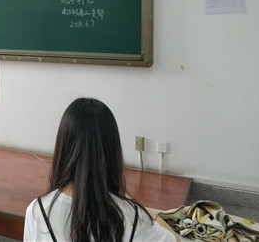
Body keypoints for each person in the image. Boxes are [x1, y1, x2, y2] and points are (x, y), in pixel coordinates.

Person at [23, 98, 180, 242]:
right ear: (112, 151)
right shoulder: (131, 215)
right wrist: (137, 206)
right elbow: (174, 240)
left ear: (63, 147)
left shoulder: (37, 211)